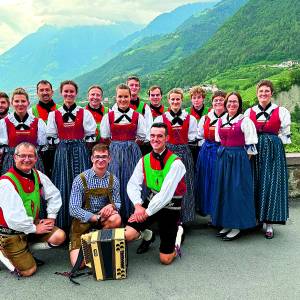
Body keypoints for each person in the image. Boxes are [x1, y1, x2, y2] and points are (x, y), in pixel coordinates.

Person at [0, 142, 65, 277]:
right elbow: (13, 218)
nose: (26, 159)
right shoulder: (6, 182)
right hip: (10, 231)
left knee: (59, 236)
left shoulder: (37, 174)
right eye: (22, 156)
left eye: (30, 156)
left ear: (36, 159)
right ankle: (2, 251)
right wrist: (35, 229)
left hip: (29, 225)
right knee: (28, 271)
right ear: (15, 157)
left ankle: (26, 250)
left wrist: (51, 217)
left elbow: (54, 194)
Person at [125, 123, 186, 265]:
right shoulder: (144, 160)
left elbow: (165, 195)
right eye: (152, 136)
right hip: (151, 201)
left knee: (166, 259)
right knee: (128, 234)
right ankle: (148, 235)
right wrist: (138, 206)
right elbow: (133, 184)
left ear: (167, 138)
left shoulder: (176, 163)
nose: (155, 139)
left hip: (170, 205)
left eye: (160, 136)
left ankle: (178, 233)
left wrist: (146, 213)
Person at [47, 80, 96, 231]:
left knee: (83, 185)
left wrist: (80, 148)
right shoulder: (54, 115)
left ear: (76, 93)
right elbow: (51, 136)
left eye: (71, 91)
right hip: (62, 153)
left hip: (80, 151)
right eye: (66, 91)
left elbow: (91, 135)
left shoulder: (84, 113)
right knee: (63, 185)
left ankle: (85, 223)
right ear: (61, 93)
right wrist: (64, 146)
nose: (69, 94)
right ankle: (65, 223)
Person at [244, 80, 291, 239]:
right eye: (261, 91)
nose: (263, 94)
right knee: (255, 182)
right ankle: (256, 218)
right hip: (254, 150)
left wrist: (275, 146)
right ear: (257, 93)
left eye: (266, 91)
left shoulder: (281, 111)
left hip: (273, 151)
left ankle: (269, 223)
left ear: (271, 93)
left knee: (270, 184)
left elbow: (285, 134)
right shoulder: (249, 112)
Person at [212, 92, 258, 241]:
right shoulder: (221, 120)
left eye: (235, 102)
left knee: (236, 192)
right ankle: (226, 223)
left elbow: (251, 146)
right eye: (230, 102)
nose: (232, 104)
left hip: (239, 159)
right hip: (223, 158)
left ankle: (237, 225)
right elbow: (219, 140)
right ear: (226, 104)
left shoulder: (245, 121)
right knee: (224, 190)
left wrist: (243, 162)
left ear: (239, 104)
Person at [69, 143, 121, 266]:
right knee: (78, 264)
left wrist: (112, 206)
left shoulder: (113, 180)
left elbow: (118, 203)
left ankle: (96, 242)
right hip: (82, 223)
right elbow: (73, 209)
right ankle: (92, 244)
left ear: (109, 159)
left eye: (104, 156)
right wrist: (95, 218)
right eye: (97, 156)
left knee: (116, 218)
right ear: (92, 158)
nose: (101, 160)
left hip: (102, 222)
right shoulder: (80, 179)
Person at [100, 84, 146, 221]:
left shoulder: (137, 116)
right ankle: (116, 213)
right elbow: (105, 137)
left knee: (133, 180)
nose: (123, 99)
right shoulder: (109, 116)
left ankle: (134, 213)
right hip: (114, 152)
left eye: (126, 96)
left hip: (132, 152)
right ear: (116, 97)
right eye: (120, 96)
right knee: (115, 181)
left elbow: (142, 137)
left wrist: (129, 146)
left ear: (130, 97)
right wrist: (117, 146)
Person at [153, 88, 198, 223]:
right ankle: (168, 217)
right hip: (167, 155)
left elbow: (192, 139)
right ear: (168, 101)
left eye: (178, 99)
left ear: (181, 100)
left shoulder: (190, 119)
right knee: (167, 186)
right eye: (172, 99)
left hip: (184, 154)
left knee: (185, 186)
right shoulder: (161, 118)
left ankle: (184, 218)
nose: (175, 101)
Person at [0, 88, 47, 175]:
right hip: (11, 163)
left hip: (33, 163)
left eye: (23, 101)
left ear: (28, 103)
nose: (20, 104)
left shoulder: (39, 122)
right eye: (17, 101)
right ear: (12, 103)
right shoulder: (3, 123)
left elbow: (42, 146)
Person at [195, 90, 226, 217]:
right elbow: (200, 136)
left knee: (218, 182)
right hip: (207, 152)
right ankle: (208, 209)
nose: (218, 102)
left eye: (221, 100)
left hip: (222, 152)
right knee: (206, 181)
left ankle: (219, 212)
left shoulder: (228, 117)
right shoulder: (206, 118)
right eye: (215, 100)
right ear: (212, 103)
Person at [29, 80, 58, 177]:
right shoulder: (31, 112)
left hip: (58, 151)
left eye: (47, 90)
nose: (45, 92)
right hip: (40, 154)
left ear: (52, 92)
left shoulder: (61, 110)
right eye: (41, 90)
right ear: (37, 93)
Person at [127, 76, 153, 150]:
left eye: (136, 85)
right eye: (131, 85)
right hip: (124, 145)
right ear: (127, 87)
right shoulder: (117, 106)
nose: (134, 87)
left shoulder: (145, 107)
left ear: (139, 88)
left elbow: (149, 127)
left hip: (142, 145)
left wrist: (140, 142)